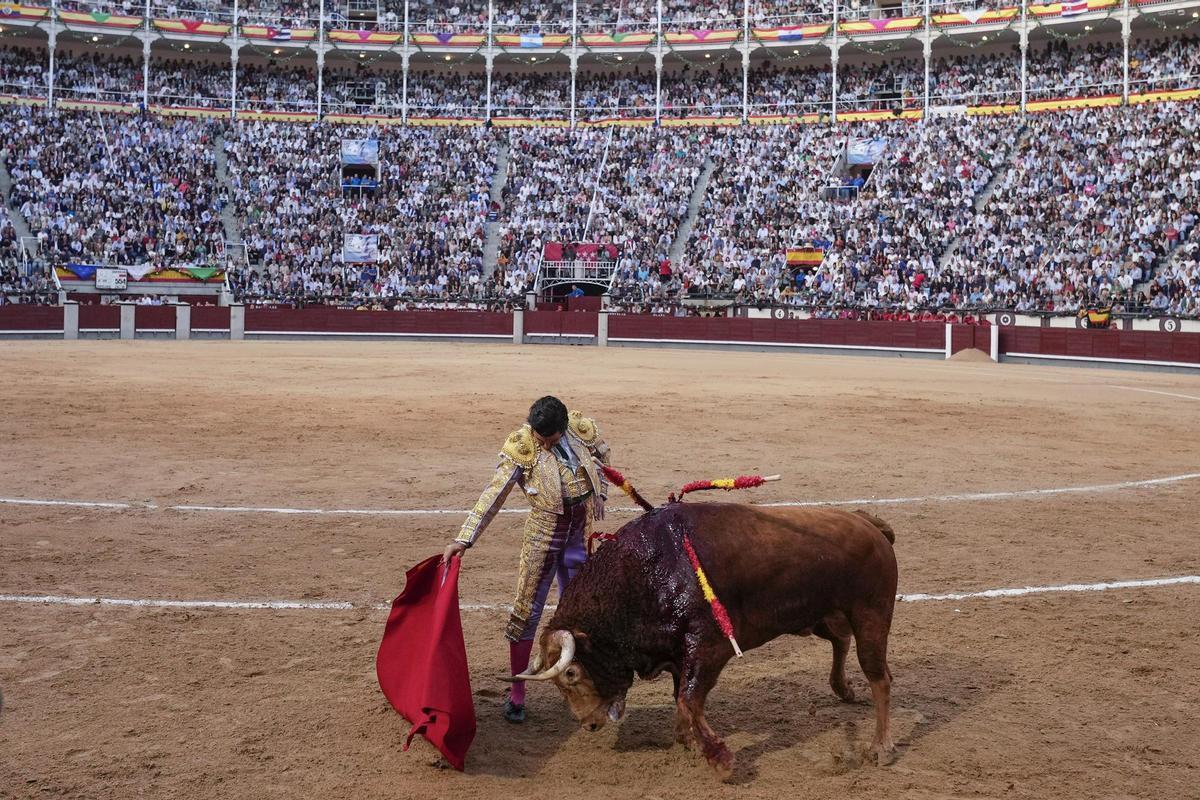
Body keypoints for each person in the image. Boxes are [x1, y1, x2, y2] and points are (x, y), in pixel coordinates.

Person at [442, 396, 610, 724]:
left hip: (577, 533)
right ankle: (518, 693)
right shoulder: (523, 444)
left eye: (550, 438)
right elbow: (494, 494)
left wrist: (599, 494)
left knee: (581, 612)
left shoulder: (578, 428)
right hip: (543, 537)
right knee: (526, 612)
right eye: (540, 437)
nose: (543, 443)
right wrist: (464, 538)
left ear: (563, 429)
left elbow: (602, 456)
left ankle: (582, 687)